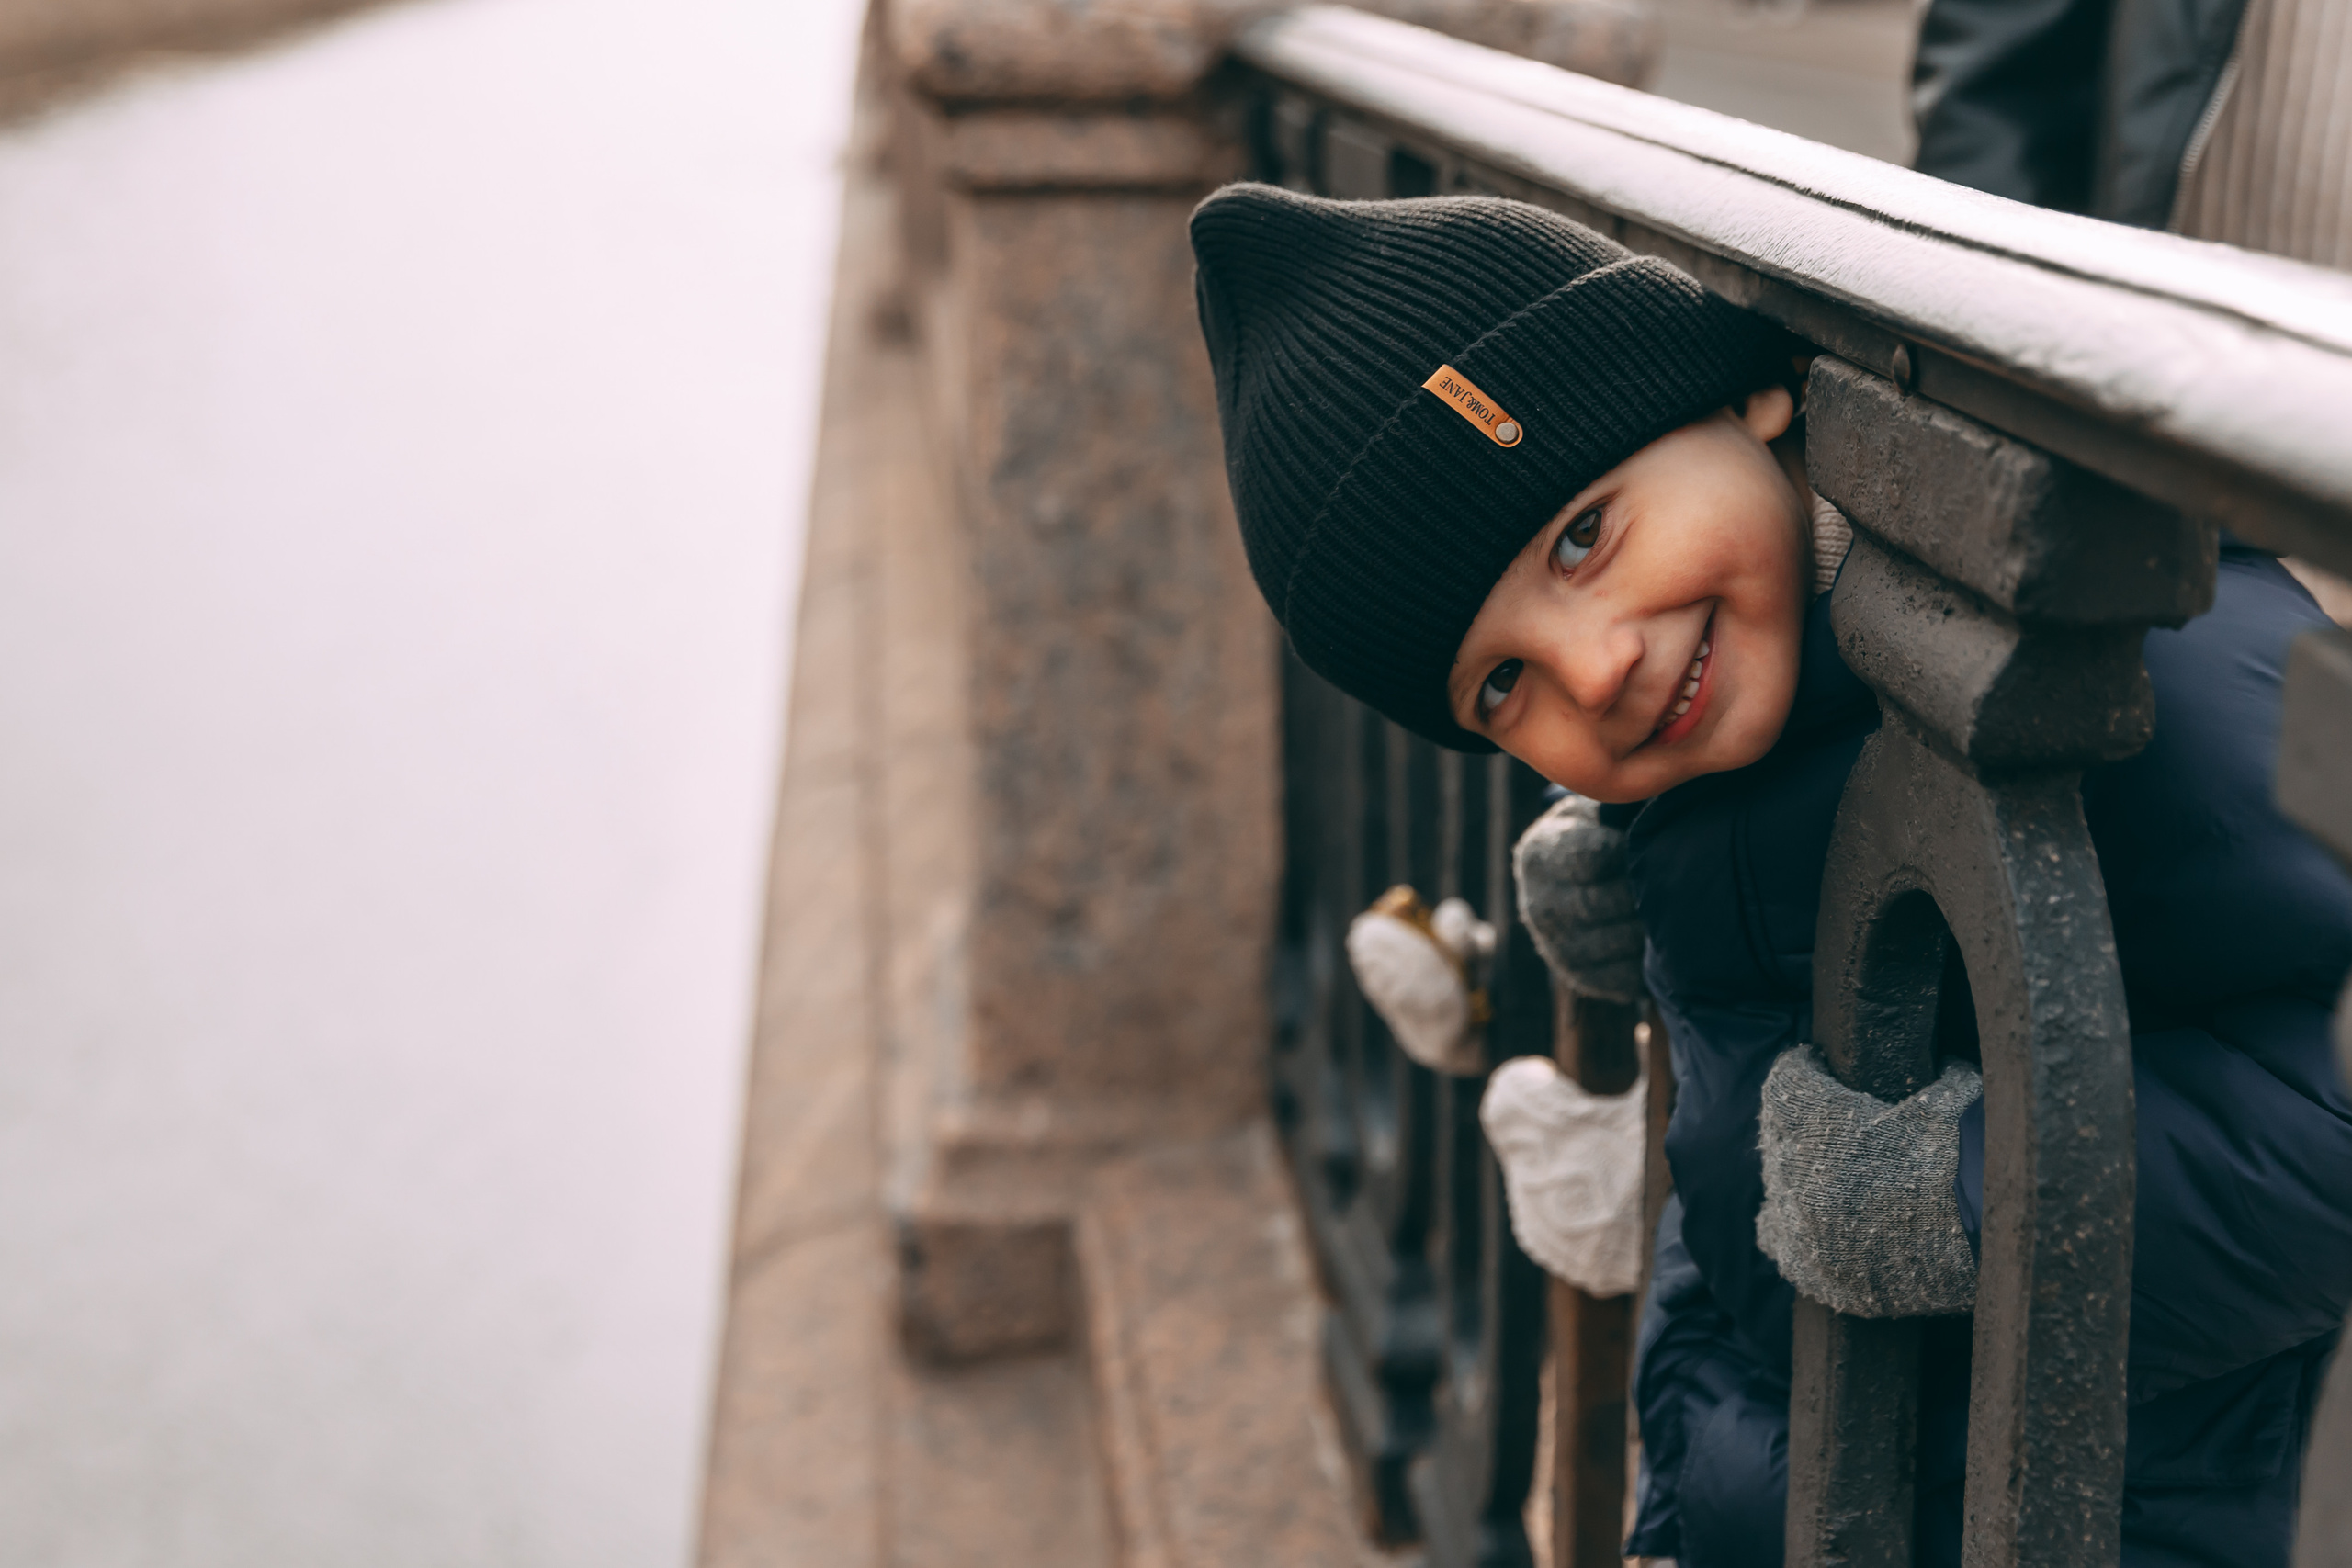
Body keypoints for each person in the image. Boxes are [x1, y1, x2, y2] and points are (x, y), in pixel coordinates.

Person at [1188, 181, 2352, 1568]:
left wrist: (1982, 1202)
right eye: (1505, 682)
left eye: (1584, 538)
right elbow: (1764, 1192)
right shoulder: (1759, 735)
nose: (1598, 669)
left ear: (1745, 400)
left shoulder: (2124, 687)